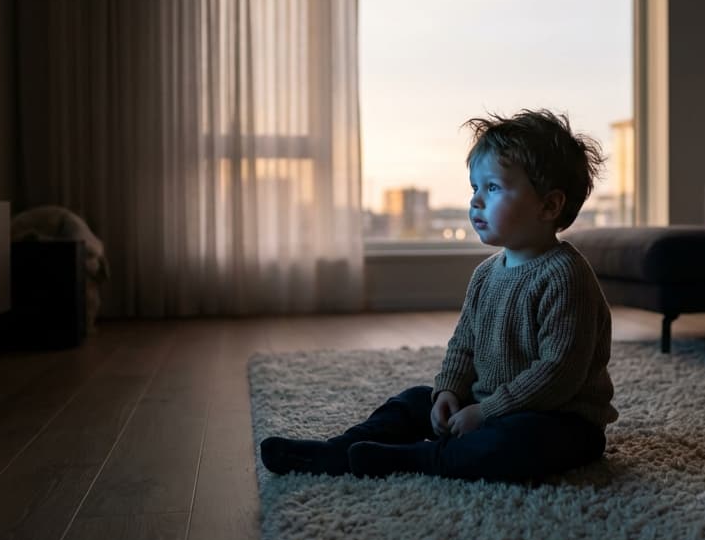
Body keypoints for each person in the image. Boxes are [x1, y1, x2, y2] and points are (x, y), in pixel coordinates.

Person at [260, 109, 617, 482]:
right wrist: (449, 390)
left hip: (559, 420)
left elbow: (557, 373)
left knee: (514, 444)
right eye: (474, 188)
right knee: (415, 401)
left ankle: (421, 459)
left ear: (549, 205)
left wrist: (486, 412)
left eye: (492, 188)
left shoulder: (566, 276)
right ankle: (338, 451)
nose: (476, 201)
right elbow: (464, 344)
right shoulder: (485, 275)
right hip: (488, 405)